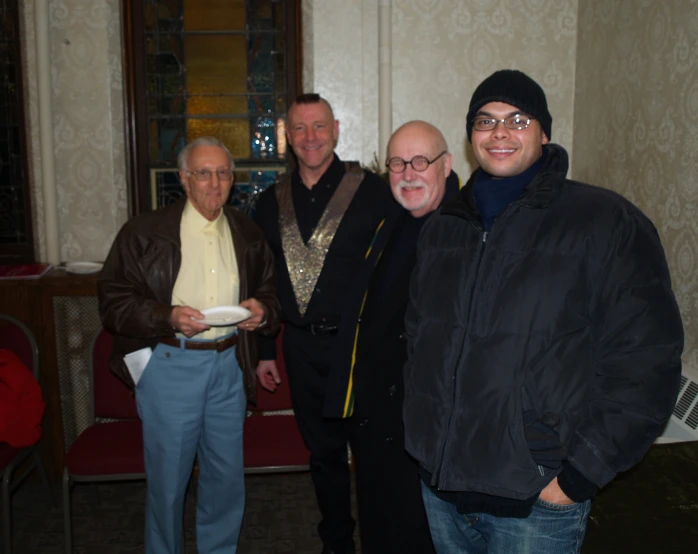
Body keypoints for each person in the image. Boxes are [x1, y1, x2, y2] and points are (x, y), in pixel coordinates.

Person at [402, 70, 684, 554]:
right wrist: (425, 447)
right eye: (485, 121)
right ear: (471, 136)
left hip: (536, 502)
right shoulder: (443, 229)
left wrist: (578, 476)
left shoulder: (604, 222)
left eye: (518, 119)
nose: (500, 133)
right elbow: (420, 343)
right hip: (442, 491)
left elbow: (647, 360)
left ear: (543, 131)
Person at [98, 136, 280, 554]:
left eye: (222, 173)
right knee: (168, 483)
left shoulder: (247, 232)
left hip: (228, 366)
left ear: (232, 180)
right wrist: (169, 316)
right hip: (170, 365)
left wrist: (261, 310)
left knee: (225, 479)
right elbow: (113, 303)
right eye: (203, 173)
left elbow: (271, 294)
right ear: (184, 178)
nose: (214, 183)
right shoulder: (144, 233)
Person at [252, 93, 392, 554]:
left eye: (318, 126)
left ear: (335, 129)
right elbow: (265, 280)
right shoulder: (269, 203)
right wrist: (266, 351)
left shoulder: (374, 191)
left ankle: (378, 540)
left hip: (360, 348)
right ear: (286, 137)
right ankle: (336, 542)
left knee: (373, 455)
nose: (309, 137)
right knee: (323, 455)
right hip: (302, 349)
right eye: (298, 128)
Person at [324, 120, 458, 553]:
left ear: (447, 165)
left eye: (421, 160)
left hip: (427, 428)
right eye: (397, 163)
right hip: (378, 420)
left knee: (421, 539)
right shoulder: (393, 221)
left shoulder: (466, 232)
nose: (408, 172)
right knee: (381, 532)